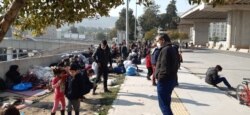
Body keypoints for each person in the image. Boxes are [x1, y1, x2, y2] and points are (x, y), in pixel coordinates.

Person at [155, 34, 179, 115]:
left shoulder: (166, 50)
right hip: (170, 79)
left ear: (163, 40)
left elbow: (164, 67)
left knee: (163, 105)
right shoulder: (171, 49)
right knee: (166, 103)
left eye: (158, 41)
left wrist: (159, 77)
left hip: (164, 81)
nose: (157, 43)